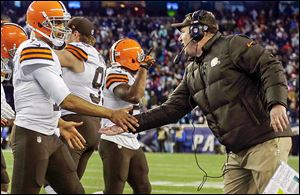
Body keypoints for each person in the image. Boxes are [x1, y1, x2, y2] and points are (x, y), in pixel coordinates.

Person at [100, 10, 294, 194]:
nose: (179, 38)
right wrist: (131, 124)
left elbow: (270, 65)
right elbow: (171, 109)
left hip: (264, 139)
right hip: (237, 151)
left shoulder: (232, 44)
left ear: (198, 31)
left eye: (183, 32)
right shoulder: (192, 71)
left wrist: (276, 104)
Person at [11, 1, 138, 194]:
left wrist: (59, 123)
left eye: (63, 23)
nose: (61, 28)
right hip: (32, 133)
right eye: (57, 23)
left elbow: (48, 98)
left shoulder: (48, 51)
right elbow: (66, 100)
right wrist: (111, 113)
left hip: (49, 133)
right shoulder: (32, 49)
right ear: (38, 23)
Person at [43, 16, 106, 194]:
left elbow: (49, 58)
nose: (64, 34)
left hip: (76, 123)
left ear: (76, 34)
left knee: (51, 180)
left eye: (68, 31)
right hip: (93, 126)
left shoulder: (77, 49)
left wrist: (33, 43)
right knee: (70, 185)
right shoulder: (97, 55)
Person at [99, 38, 154, 194]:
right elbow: (133, 96)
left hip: (130, 139)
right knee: (114, 191)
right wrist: (144, 68)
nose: (141, 58)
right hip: (114, 139)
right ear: (131, 56)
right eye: (139, 55)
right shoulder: (114, 72)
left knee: (144, 188)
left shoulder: (130, 76)